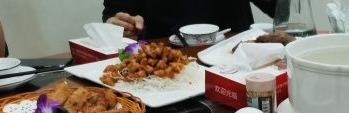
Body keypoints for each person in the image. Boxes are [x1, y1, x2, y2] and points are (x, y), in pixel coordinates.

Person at [103, 0, 277, 40]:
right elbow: (114, 14)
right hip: (160, 69)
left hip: (235, 63)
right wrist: (121, 26)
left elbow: (280, 9)